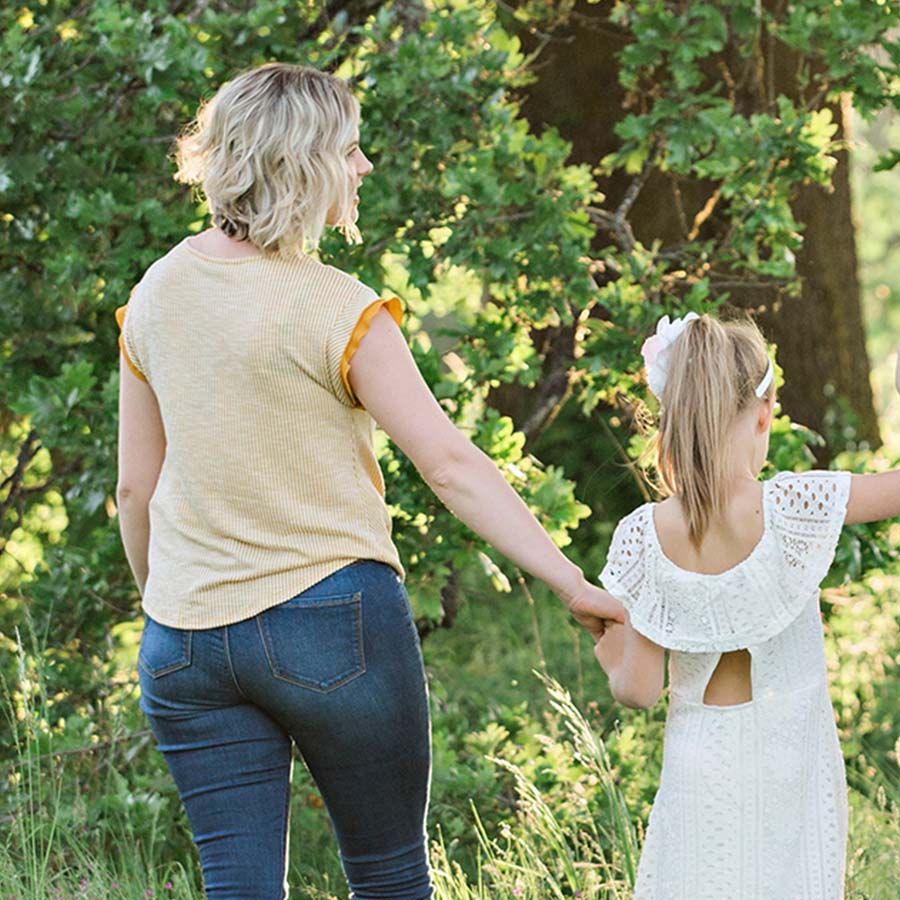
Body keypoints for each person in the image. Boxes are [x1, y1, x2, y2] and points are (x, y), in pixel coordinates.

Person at [115, 62, 623, 900]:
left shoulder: (154, 295)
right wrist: (571, 582)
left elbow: (137, 491)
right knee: (389, 880)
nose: (364, 169)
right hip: (332, 620)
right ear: (302, 163)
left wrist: (169, 611)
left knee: (235, 888)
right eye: (350, 151)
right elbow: (451, 467)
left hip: (185, 641)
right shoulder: (336, 307)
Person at [593, 311, 900, 899]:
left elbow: (636, 689)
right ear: (764, 414)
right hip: (791, 769)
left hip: (698, 773)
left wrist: (612, 650)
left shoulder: (644, 537)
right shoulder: (794, 505)